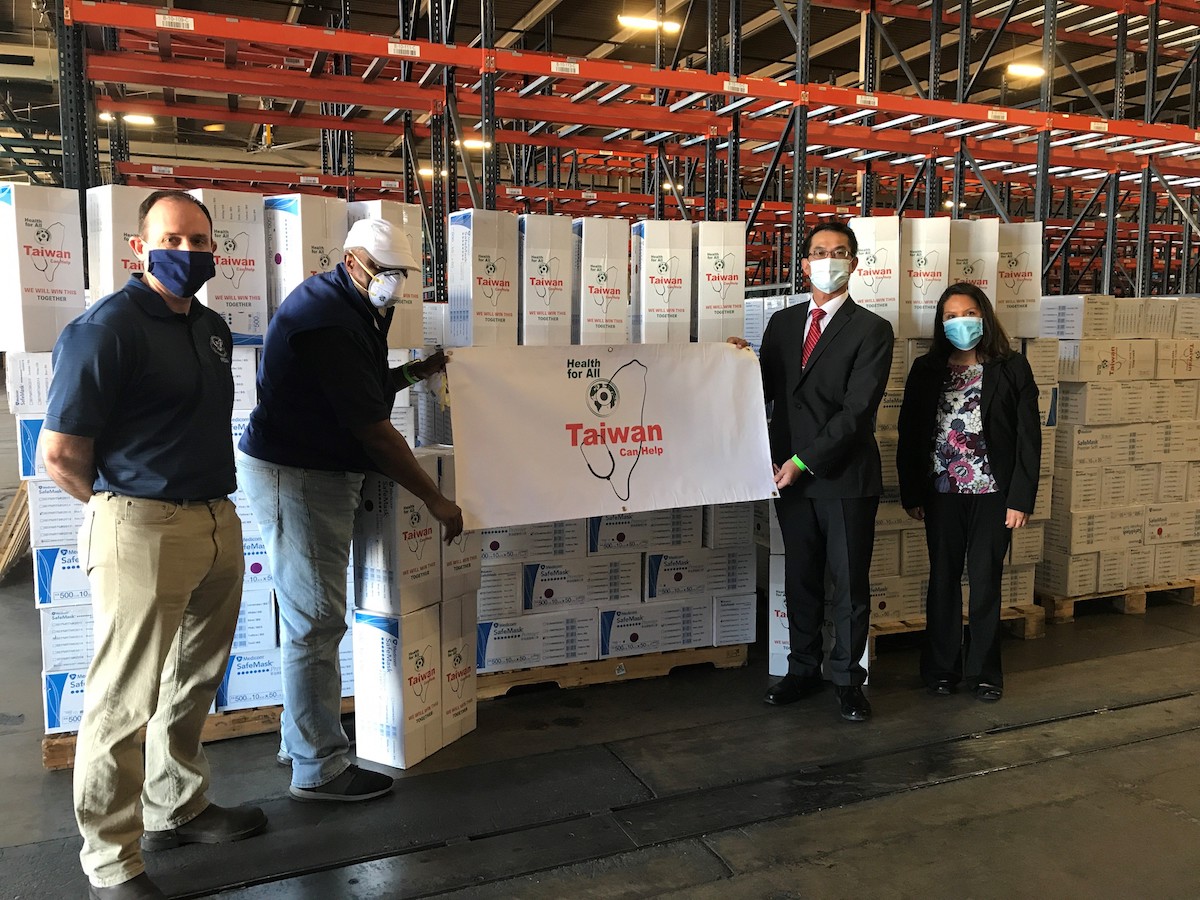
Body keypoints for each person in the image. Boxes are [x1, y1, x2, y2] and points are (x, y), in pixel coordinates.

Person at [42, 190, 267, 900]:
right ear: (138, 247)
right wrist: (120, 512)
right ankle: (110, 858)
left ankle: (178, 805)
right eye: (174, 238)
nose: (191, 252)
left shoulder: (211, 327)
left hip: (215, 520)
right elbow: (60, 454)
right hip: (140, 524)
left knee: (195, 678)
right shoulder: (105, 330)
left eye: (202, 242)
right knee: (123, 697)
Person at [237, 217, 463, 803]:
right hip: (300, 476)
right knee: (316, 620)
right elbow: (373, 430)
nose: (394, 284)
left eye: (401, 275)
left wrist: (419, 372)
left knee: (306, 614)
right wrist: (436, 500)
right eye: (386, 273)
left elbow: (362, 388)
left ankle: (302, 739)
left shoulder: (356, 305)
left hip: (312, 469)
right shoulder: (329, 318)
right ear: (353, 261)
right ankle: (319, 767)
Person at [732, 221, 894, 722]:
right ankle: (801, 668)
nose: (829, 259)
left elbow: (857, 411)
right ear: (804, 264)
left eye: (839, 252)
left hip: (841, 478)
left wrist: (804, 462)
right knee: (800, 579)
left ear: (855, 263)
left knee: (847, 584)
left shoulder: (872, 329)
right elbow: (765, 391)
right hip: (788, 479)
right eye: (820, 252)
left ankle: (847, 680)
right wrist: (734, 366)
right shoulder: (781, 324)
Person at [896, 283, 1040, 703]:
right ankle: (941, 669)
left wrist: (1020, 498)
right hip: (942, 490)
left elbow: (1029, 438)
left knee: (985, 581)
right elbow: (910, 433)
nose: (962, 322)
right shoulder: (927, 369)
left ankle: (985, 673)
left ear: (985, 316)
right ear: (941, 323)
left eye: (970, 313)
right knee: (942, 579)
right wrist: (912, 493)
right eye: (952, 315)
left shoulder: (1011, 367)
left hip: (994, 493)